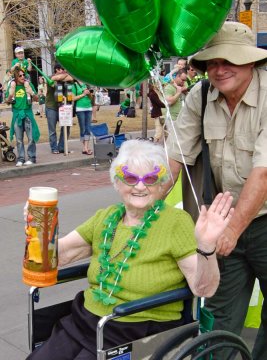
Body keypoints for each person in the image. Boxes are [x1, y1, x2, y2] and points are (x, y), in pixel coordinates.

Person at [26, 139, 234, 360]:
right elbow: (58, 255)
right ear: (117, 182)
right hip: (85, 321)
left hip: (137, 329)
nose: (141, 186)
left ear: (162, 183)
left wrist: (206, 246)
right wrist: (37, 230)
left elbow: (204, 290)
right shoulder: (105, 217)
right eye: (131, 178)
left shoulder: (176, 222)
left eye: (151, 178)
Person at [166, 21, 267, 360]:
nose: (219, 70)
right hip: (225, 221)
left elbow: (263, 173)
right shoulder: (201, 95)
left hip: (258, 220)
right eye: (212, 62)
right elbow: (175, 156)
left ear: (250, 61)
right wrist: (140, 197)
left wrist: (234, 229)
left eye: (229, 61)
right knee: (219, 318)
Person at [5, 68, 40, 167]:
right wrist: (10, 96)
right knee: (19, 139)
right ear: (16, 76)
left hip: (28, 114)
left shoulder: (28, 84)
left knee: (31, 138)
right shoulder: (12, 86)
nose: (23, 77)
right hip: (17, 115)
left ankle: (31, 158)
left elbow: (37, 99)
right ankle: (21, 158)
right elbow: (7, 102)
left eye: (23, 74)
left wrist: (32, 92)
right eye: (20, 75)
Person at [45, 64, 73, 154]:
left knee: (66, 128)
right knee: (52, 129)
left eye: (66, 69)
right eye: (63, 69)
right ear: (57, 70)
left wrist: (63, 76)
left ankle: (62, 147)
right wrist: (64, 75)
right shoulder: (50, 77)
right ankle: (54, 148)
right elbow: (53, 79)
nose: (65, 70)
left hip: (63, 107)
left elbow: (71, 78)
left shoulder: (65, 78)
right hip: (51, 107)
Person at [72, 80, 93, 155]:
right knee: (83, 128)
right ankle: (85, 147)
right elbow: (72, 98)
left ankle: (86, 147)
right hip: (80, 108)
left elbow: (91, 98)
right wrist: (83, 94)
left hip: (89, 108)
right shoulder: (74, 85)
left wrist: (89, 93)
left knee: (88, 128)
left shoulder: (87, 84)